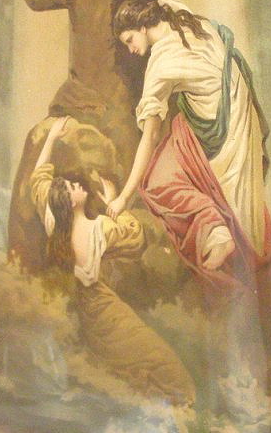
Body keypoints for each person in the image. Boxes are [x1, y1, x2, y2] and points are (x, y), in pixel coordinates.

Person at [108, 0, 271, 319]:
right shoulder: (184, 19)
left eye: (129, 39)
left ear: (142, 26)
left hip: (222, 131)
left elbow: (149, 137)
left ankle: (215, 232)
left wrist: (124, 197)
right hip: (238, 117)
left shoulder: (161, 64)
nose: (131, 49)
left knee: (156, 181)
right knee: (181, 131)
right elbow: (171, 1)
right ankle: (218, 230)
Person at [26, 116, 196, 406]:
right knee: (157, 360)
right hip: (102, 309)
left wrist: (51, 138)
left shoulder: (53, 222)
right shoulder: (100, 230)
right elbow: (136, 235)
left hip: (74, 308)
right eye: (70, 187)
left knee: (112, 368)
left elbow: (38, 179)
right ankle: (180, 403)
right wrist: (115, 202)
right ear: (70, 202)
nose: (75, 184)